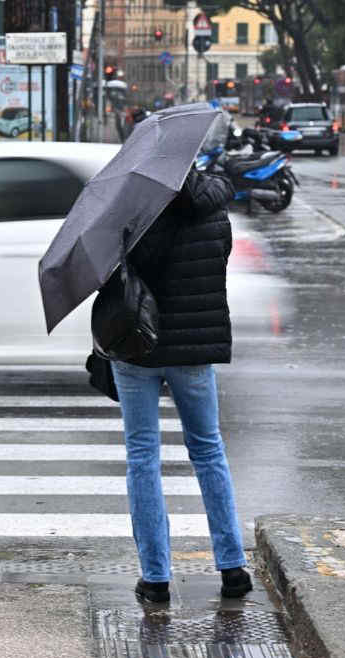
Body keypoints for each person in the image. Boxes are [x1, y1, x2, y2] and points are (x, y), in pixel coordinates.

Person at [108, 161, 252, 605]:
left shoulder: (137, 210)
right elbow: (218, 264)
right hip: (194, 350)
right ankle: (232, 568)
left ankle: (156, 578)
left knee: (143, 456)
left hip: (138, 348)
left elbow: (120, 275)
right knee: (208, 450)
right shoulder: (214, 207)